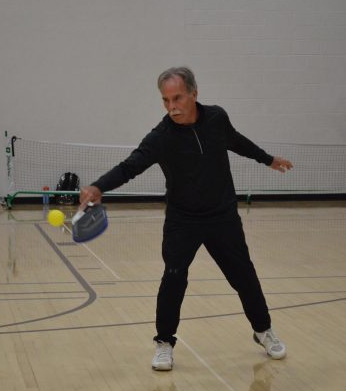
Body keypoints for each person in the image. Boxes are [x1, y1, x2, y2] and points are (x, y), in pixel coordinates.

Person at [80, 67, 293, 371]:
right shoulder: (161, 136)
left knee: (244, 276)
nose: (171, 107)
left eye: (177, 98)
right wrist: (99, 186)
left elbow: (237, 141)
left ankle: (263, 331)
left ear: (194, 93)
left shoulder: (217, 118)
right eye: (165, 100)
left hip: (222, 217)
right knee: (174, 278)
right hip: (183, 221)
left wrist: (268, 159)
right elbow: (130, 166)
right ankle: (164, 342)